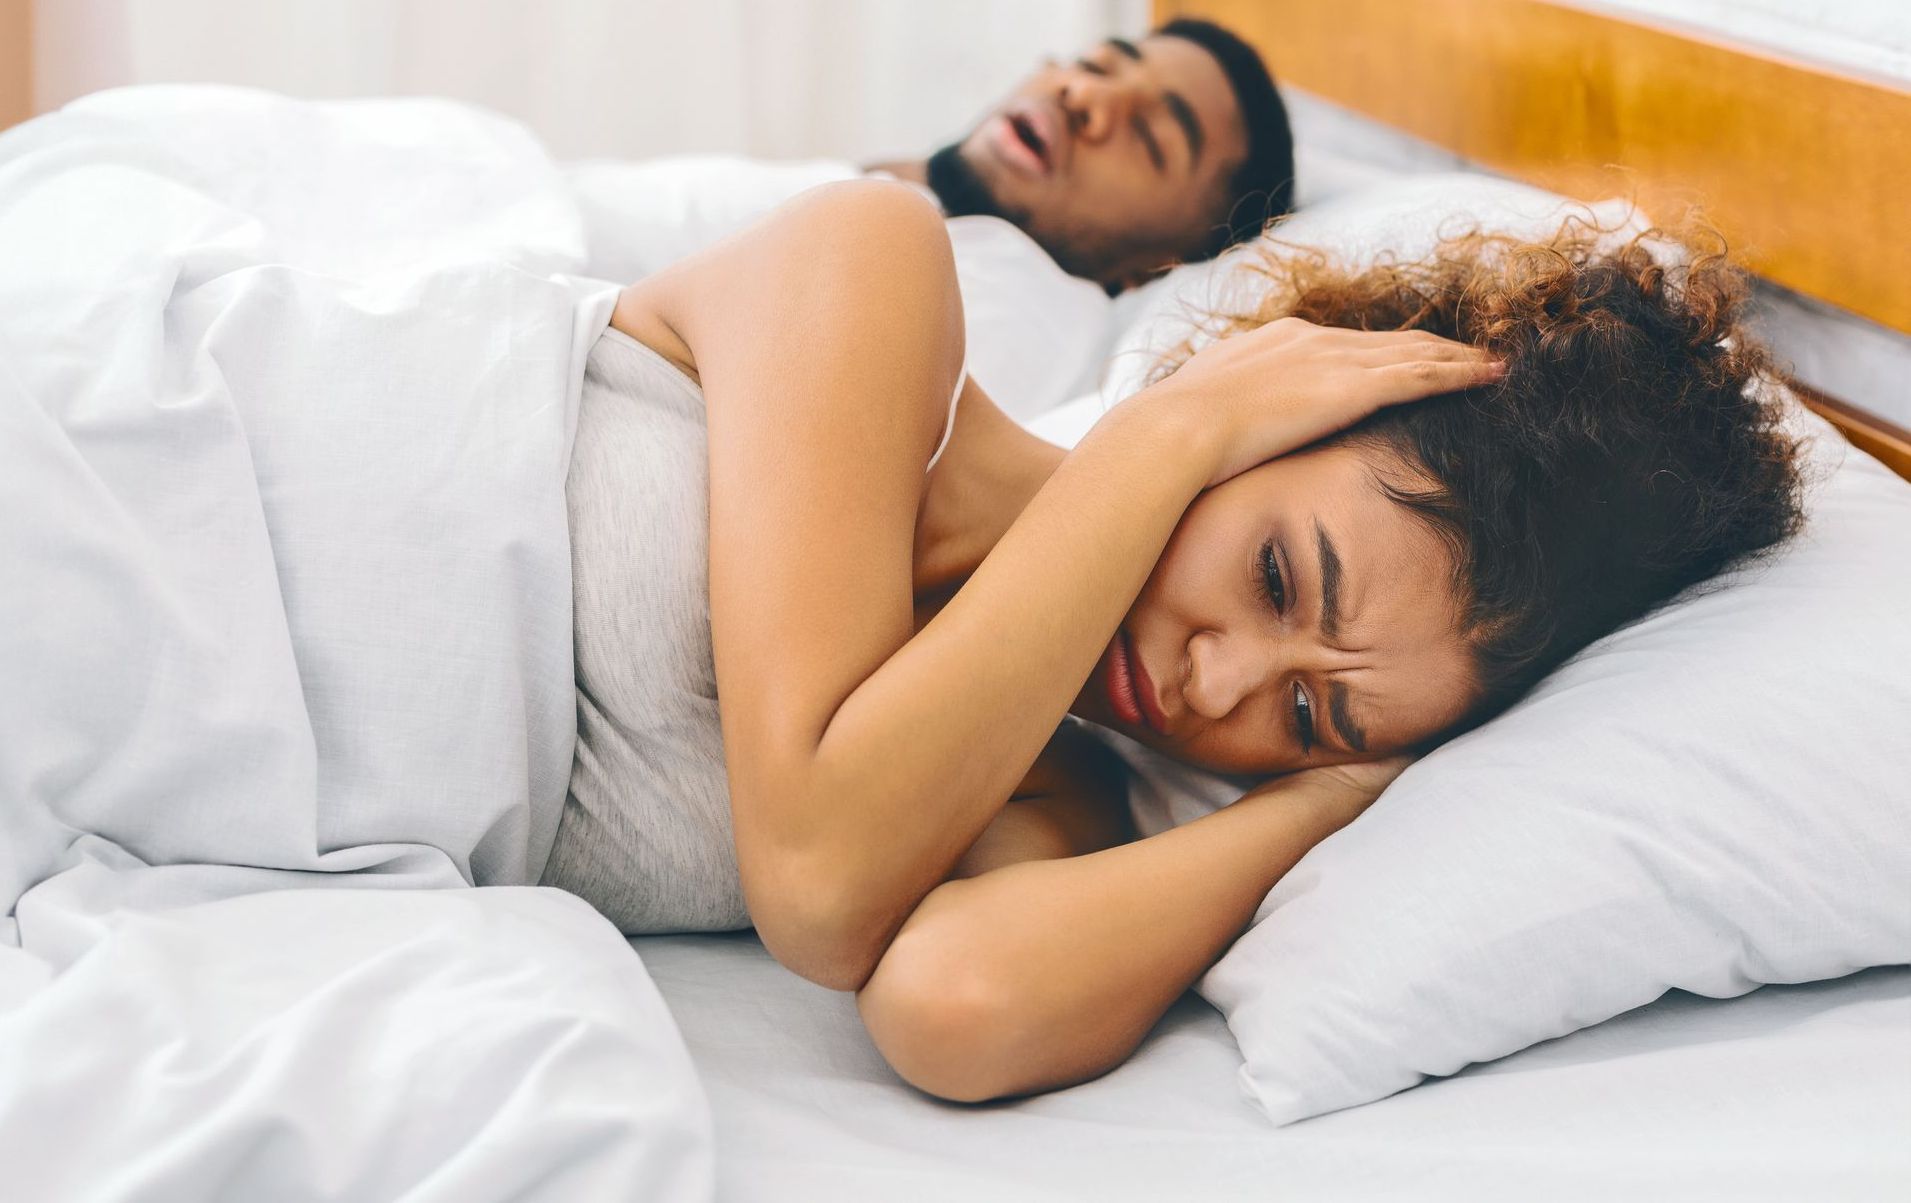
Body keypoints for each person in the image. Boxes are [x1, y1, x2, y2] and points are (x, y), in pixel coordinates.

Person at [542, 180, 1801, 1103]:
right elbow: (817, 892)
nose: (1218, 684)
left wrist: (1332, 801)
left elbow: (955, 1007)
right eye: (1274, 577)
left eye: (1307, 714)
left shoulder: (1044, 780)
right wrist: (1163, 437)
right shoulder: (872, 273)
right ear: (1267, 397)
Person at [566, 17, 1295, 418]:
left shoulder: (1023, 310)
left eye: (1149, 138)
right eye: (1099, 63)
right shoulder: (919, 212)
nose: (1082, 94)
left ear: (1157, 269)